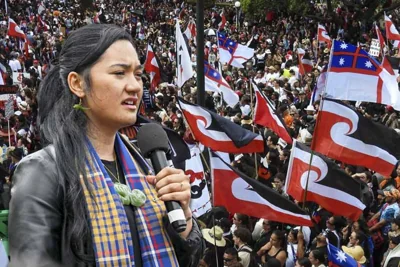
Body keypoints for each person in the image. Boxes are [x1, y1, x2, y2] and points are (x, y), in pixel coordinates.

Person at [9, 24, 203, 267]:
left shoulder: (147, 169)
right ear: (78, 84)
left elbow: (185, 259)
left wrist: (183, 216)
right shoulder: (43, 172)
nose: (134, 86)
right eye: (119, 73)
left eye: (138, 75)